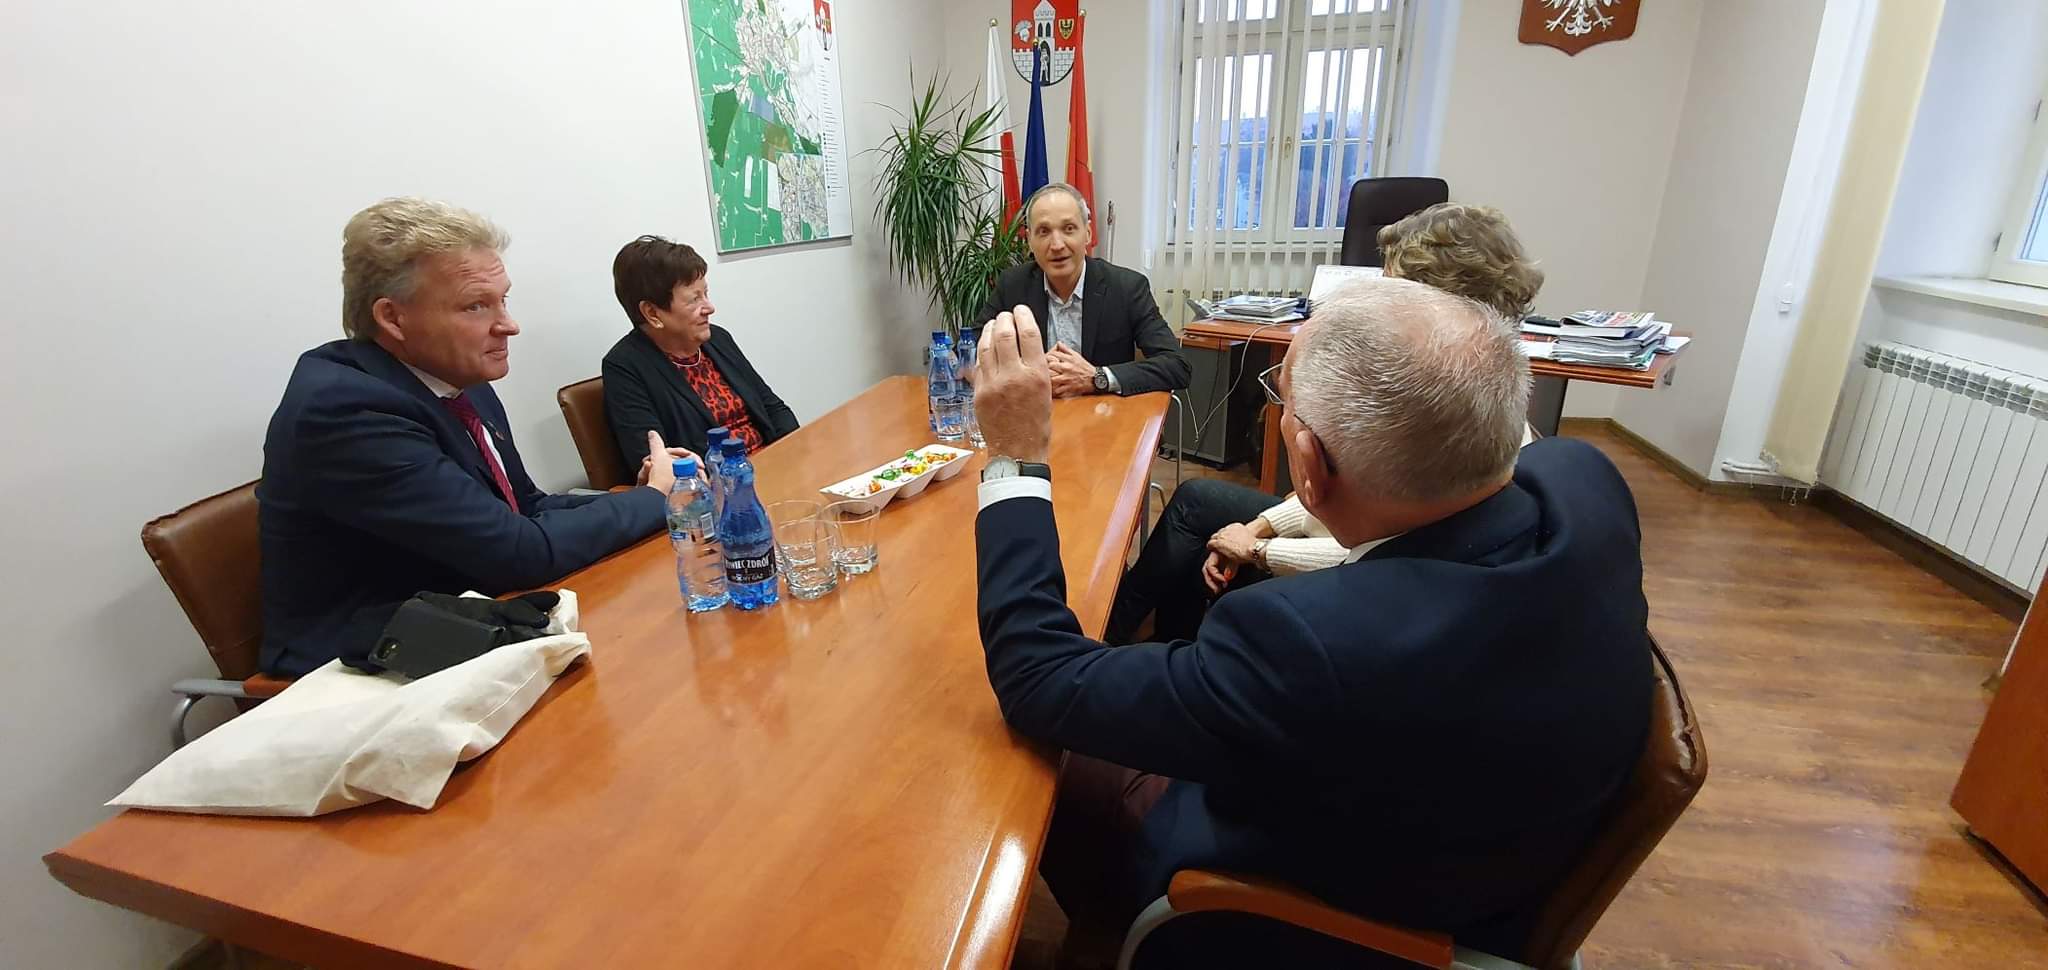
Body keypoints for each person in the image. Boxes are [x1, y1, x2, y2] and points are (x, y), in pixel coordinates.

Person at [970, 280, 1652, 965]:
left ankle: (1100, 941)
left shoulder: (1311, 642)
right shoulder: (1584, 485)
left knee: (1033, 760)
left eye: (1283, 402)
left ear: (1308, 464)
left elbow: (1036, 677)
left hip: (1297, 914)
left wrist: (1014, 457)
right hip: (1479, 836)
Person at [258, 198, 684, 678]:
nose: (508, 325)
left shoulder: (459, 379)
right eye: (476, 305)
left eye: (503, 300)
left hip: (466, 619)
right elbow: (518, 553)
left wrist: (638, 497)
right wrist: (653, 499)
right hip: (359, 666)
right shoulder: (347, 409)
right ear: (392, 318)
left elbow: (523, 507)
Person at [1106, 201, 1548, 643]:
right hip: (1327, 536)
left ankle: (1155, 647)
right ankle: (1122, 630)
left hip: (1356, 579)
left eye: (1391, 288)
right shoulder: (1439, 384)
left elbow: (1378, 555)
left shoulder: (1457, 421)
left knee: (1223, 570)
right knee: (1198, 505)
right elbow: (1339, 497)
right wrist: (1260, 525)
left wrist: (1258, 549)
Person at [978, 183, 1190, 398]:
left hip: (1104, 414)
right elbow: (970, 353)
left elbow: (1176, 366)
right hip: (1034, 411)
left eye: (1068, 228)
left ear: (1087, 234)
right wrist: (1026, 374)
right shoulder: (1012, 285)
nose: (1057, 245)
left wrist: (1097, 377)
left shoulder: (1127, 287)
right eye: (1044, 231)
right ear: (1030, 241)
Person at [602, 235, 800, 464]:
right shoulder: (625, 367)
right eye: (694, 299)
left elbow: (773, 408)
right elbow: (657, 461)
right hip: (717, 481)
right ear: (652, 313)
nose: (709, 308)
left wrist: (795, 454)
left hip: (772, 463)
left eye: (706, 293)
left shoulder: (717, 339)